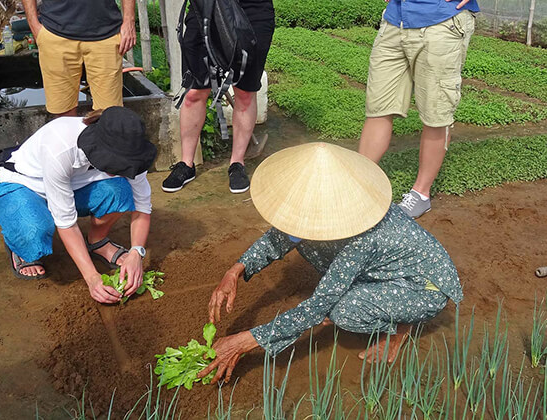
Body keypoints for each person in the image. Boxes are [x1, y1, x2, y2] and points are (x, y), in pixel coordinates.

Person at [198, 143, 463, 383]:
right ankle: (374, 298)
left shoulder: (361, 239)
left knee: (343, 311)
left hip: (423, 287)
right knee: (316, 252)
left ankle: (399, 329)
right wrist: (236, 270)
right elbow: (280, 238)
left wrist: (245, 341)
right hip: (389, 269)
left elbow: (316, 308)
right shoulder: (325, 208)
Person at [0, 107, 156, 304]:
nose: (119, 168)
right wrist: (92, 278)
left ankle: (97, 241)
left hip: (73, 186)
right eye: (114, 163)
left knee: (121, 192)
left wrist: (137, 252)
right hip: (24, 185)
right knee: (34, 231)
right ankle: (20, 245)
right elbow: (67, 223)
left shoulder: (132, 149)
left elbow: (142, 206)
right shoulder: (60, 147)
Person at [358, 0, 479, 218]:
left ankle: (420, 194)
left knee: (436, 113)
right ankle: (358, 181)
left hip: (441, 23)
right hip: (395, 21)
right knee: (378, 107)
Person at [161, 0, 275, 194]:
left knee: (245, 93)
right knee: (194, 92)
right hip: (205, 8)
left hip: (253, 10)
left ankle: (237, 163)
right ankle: (186, 164)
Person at [21, 0, 137, 116]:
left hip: (105, 34)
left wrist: (129, 21)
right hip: (55, 34)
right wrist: (33, 23)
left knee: (109, 115)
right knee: (63, 115)